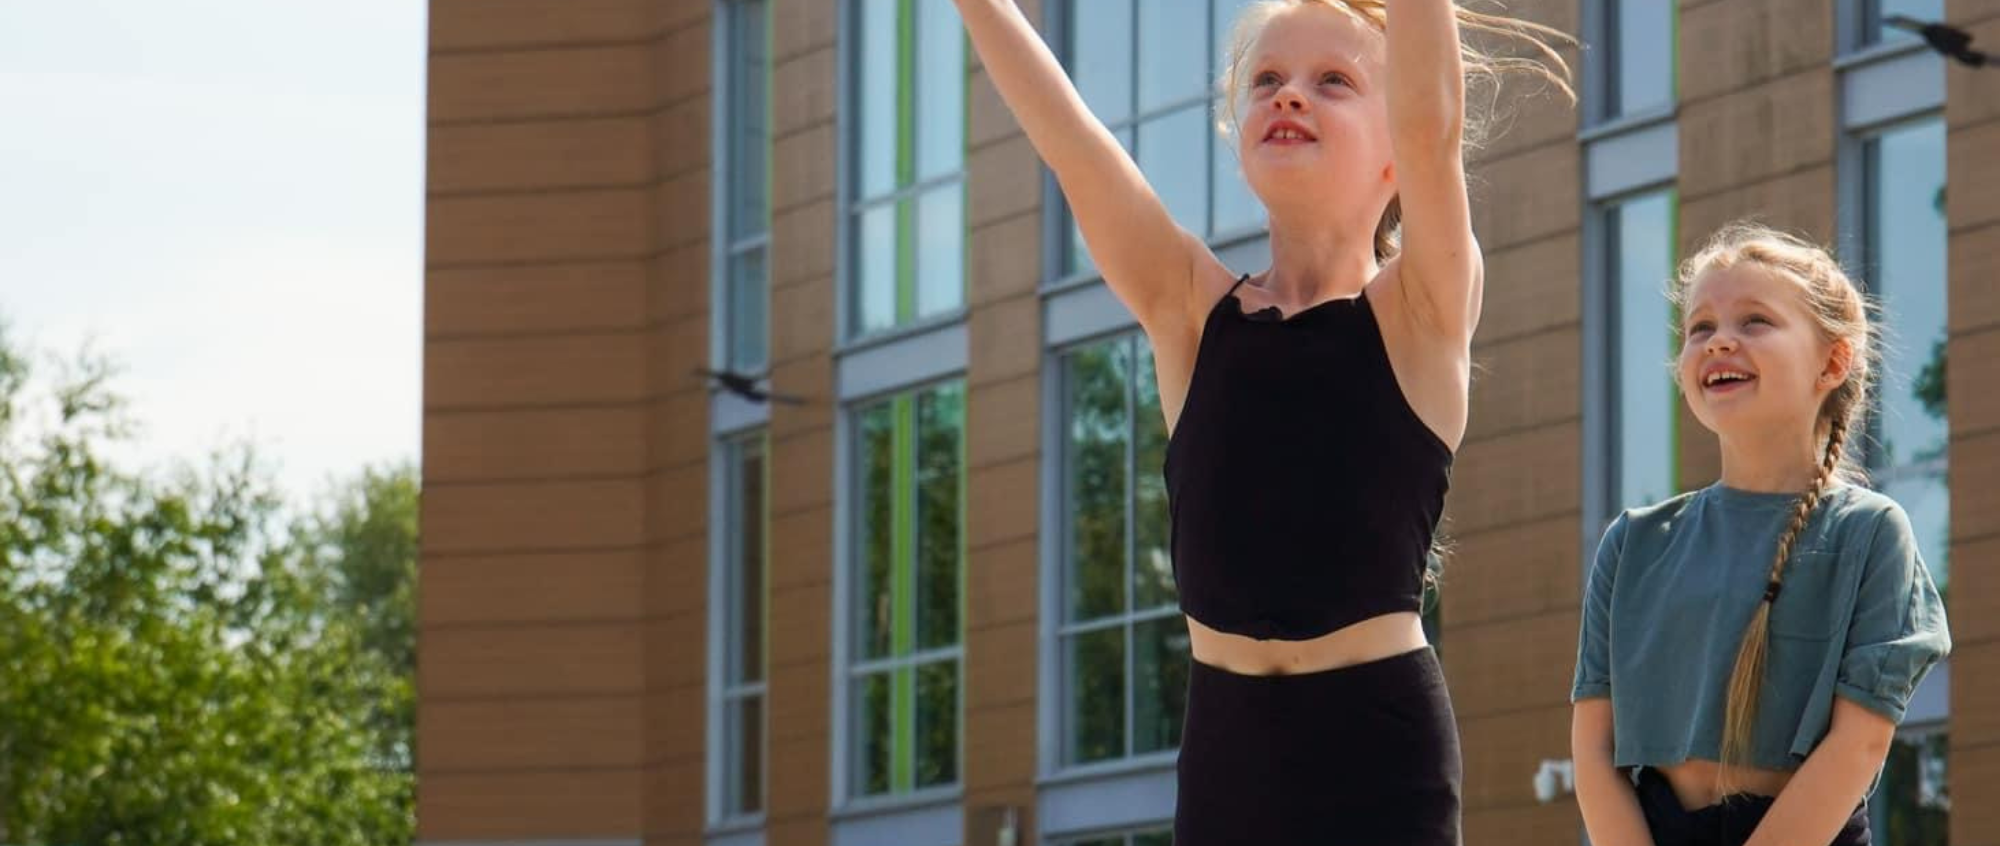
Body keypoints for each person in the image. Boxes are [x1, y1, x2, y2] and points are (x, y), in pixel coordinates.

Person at [950, 0, 1569, 841]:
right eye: (1267, 81)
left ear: (1394, 158)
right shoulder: (1187, 310)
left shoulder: (1420, 310)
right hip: (1224, 752)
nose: (1289, 97)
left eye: (1334, 82)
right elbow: (1066, 136)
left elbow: (1434, 128)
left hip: (1380, 753)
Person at [1571, 223, 1952, 846]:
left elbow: (1859, 745)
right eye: (1701, 328)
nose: (1720, 341)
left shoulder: (1871, 533)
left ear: (1832, 361)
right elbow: (1592, 749)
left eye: (1754, 321)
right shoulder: (1632, 543)